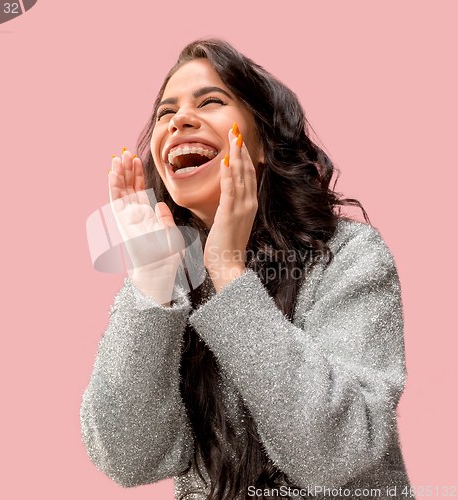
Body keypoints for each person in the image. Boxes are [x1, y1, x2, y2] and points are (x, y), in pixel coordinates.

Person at [80, 39, 412, 500]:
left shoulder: (351, 255)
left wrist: (228, 272)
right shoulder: (170, 280)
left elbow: (336, 451)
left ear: (261, 142)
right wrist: (152, 278)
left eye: (210, 101)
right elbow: (127, 457)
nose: (178, 120)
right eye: (164, 113)